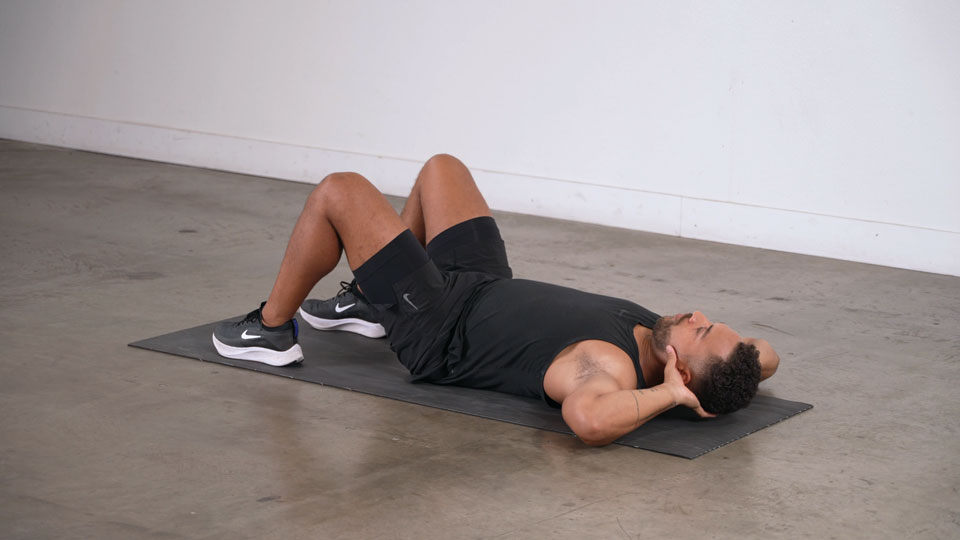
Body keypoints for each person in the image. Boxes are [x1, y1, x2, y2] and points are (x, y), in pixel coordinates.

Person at [213, 154, 780, 446]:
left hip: (439, 324)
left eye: (701, 330)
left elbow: (588, 420)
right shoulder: (674, 345)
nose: (696, 316)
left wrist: (669, 396)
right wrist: (722, 376)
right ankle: (370, 301)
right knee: (442, 169)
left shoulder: (608, 368)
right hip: (481, 283)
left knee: (340, 190)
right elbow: (765, 357)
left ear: (682, 372)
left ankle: (270, 330)